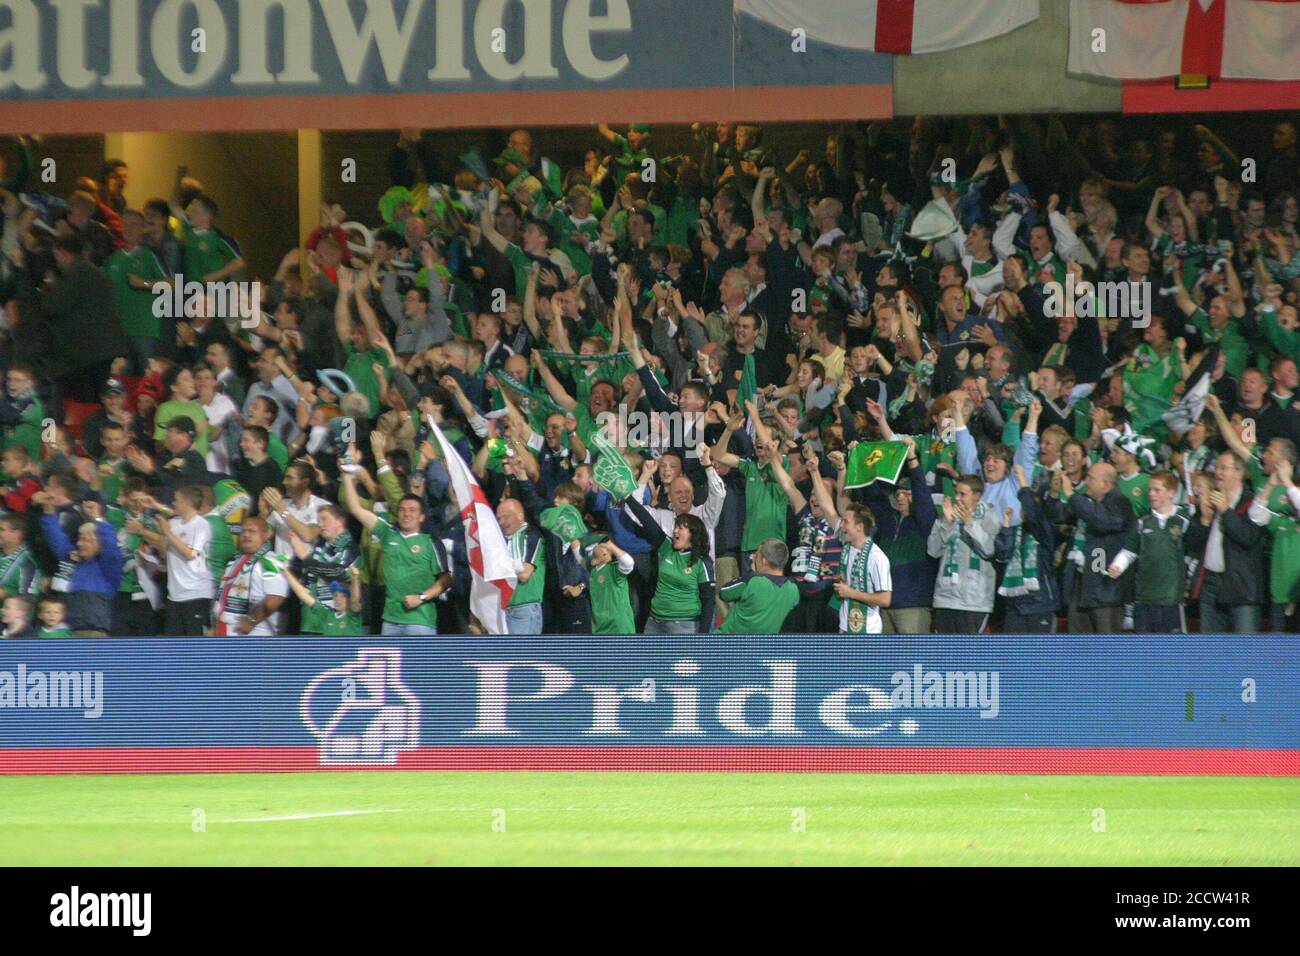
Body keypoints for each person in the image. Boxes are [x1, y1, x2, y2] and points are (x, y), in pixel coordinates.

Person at [340, 467, 450, 636]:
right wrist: (347, 475)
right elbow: (355, 508)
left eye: (412, 510)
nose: (407, 514)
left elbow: (446, 578)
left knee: (418, 663)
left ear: (422, 517)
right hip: (390, 621)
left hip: (419, 621)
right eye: (403, 510)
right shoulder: (388, 533)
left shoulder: (430, 542)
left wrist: (421, 597)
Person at [622, 492, 715, 634]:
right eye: (675, 526)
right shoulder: (667, 547)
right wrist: (628, 497)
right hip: (654, 623)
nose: (675, 530)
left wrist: (703, 637)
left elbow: (709, 602)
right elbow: (646, 520)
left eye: (680, 528)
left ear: (693, 534)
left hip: (683, 626)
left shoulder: (702, 563)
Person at [212, 516, 288, 636]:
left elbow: (275, 597)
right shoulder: (234, 560)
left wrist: (252, 621)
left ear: (266, 534)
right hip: (225, 629)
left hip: (255, 633)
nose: (246, 535)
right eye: (243, 531)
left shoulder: (271, 561)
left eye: (252, 531)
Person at [716, 538, 800, 633]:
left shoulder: (752, 581)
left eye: (756, 556)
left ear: (764, 561)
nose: (754, 559)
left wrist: (750, 574)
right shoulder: (793, 590)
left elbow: (724, 593)